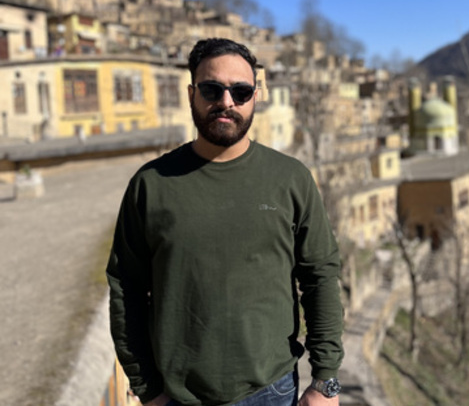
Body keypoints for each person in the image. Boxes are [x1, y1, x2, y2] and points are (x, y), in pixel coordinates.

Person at [106, 38, 344, 406]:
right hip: (178, 396)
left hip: (272, 390)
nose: (227, 101)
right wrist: (146, 387)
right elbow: (126, 290)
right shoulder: (151, 185)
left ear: (255, 97)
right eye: (212, 89)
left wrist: (325, 379)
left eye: (241, 91)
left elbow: (321, 276)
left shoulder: (291, 179)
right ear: (192, 94)